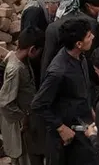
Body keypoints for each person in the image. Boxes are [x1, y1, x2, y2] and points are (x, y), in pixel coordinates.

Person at [31, 18, 97, 165]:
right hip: (66, 137)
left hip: (83, 128)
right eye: (88, 36)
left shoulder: (81, 57)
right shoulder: (58, 72)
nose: (93, 37)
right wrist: (60, 128)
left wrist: (90, 108)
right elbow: (38, 104)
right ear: (78, 44)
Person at [0, 28, 45, 165]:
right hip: (18, 124)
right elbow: (5, 102)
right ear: (32, 50)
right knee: (21, 158)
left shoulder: (21, 60)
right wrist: (23, 118)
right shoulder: (16, 69)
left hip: (26, 120)